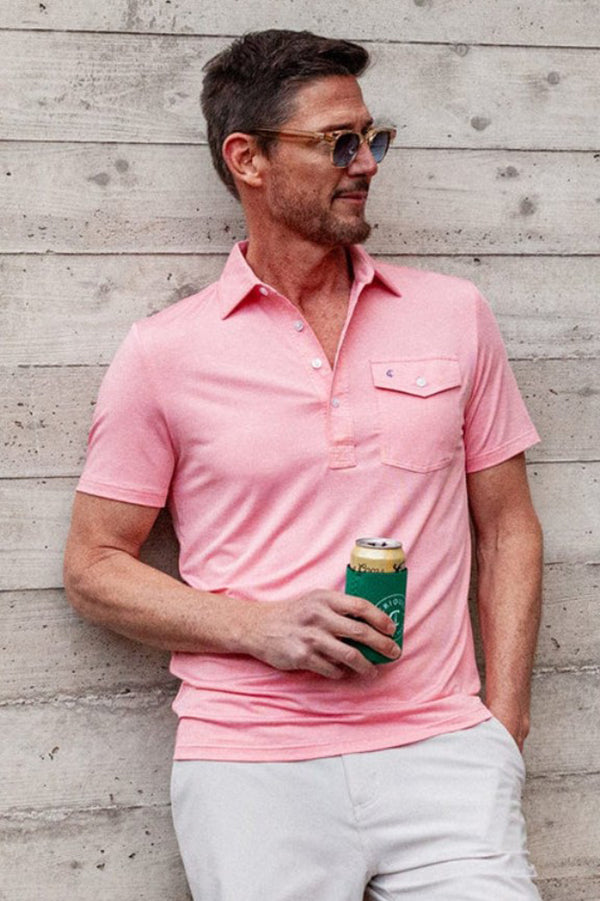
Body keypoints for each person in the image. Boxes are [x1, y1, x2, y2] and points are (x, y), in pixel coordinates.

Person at [64, 28, 543, 901]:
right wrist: (260, 626)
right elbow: (93, 566)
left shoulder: (455, 314)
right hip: (252, 767)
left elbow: (508, 527)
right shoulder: (164, 352)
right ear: (247, 158)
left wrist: (502, 728)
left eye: (372, 137)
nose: (365, 163)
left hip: (444, 754)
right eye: (337, 142)